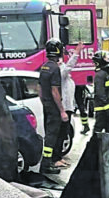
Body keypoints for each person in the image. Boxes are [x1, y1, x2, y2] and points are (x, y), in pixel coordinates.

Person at [37, 39, 67, 175]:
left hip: (46, 105)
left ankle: (46, 162)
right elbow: (55, 91)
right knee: (51, 136)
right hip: (53, 107)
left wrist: (44, 102)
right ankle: (46, 164)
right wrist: (62, 110)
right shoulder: (55, 68)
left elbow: (39, 88)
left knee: (48, 134)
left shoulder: (44, 67)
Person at [58, 44, 84, 168]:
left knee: (64, 133)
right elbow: (68, 67)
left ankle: (58, 157)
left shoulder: (62, 68)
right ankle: (56, 158)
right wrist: (76, 53)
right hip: (63, 107)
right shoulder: (60, 70)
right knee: (60, 133)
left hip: (68, 107)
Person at [92, 50, 109, 134]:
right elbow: (100, 93)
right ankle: (93, 143)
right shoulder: (100, 75)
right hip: (103, 110)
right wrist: (107, 107)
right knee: (98, 131)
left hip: (108, 109)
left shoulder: (106, 73)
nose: (107, 58)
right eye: (105, 57)